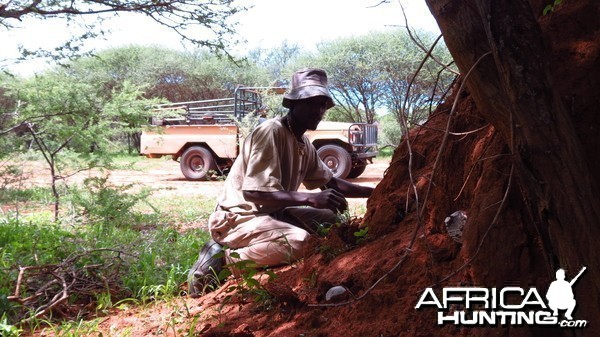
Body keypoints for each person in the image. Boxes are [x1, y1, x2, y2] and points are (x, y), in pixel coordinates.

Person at [188, 68, 373, 296]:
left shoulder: (303, 142)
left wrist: (375, 192)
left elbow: (331, 183)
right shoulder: (271, 132)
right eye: (312, 102)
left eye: (323, 104)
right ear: (293, 104)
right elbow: (255, 194)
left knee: (330, 222)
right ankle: (222, 260)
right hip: (240, 216)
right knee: (300, 242)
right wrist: (311, 198)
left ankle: (262, 242)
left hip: (273, 212)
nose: (319, 110)